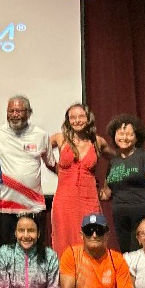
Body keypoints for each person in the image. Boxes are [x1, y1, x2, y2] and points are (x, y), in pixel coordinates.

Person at [0, 95, 55, 248]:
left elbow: (51, 164)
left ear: (29, 113)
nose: (14, 115)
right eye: (11, 111)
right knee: (5, 255)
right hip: (5, 208)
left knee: (34, 256)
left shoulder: (41, 135)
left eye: (19, 111)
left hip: (33, 207)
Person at [49, 103, 109, 257]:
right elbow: (39, 150)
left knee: (91, 238)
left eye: (81, 116)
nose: (77, 120)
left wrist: (107, 187)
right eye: (73, 117)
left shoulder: (97, 141)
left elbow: (116, 159)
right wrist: (57, 169)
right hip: (64, 201)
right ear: (68, 120)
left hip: (89, 200)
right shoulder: (60, 138)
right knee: (64, 243)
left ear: (88, 118)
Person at [103, 114, 145, 252]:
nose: (124, 138)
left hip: (143, 219)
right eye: (120, 133)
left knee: (144, 257)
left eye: (130, 134)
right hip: (121, 221)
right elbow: (106, 193)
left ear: (137, 137)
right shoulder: (113, 162)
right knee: (128, 258)